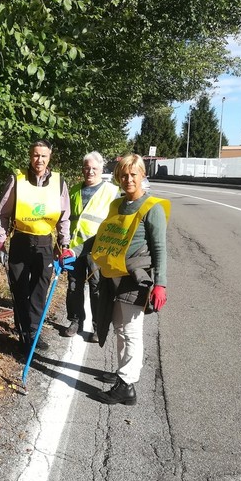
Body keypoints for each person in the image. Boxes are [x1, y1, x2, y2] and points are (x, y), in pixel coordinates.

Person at [88, 154, 170, 405]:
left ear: (143, 176)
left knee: (132, 330)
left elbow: (159, 248)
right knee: (120, 328)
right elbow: (105, 237)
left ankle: (127, 385)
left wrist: (161, 284)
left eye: (133, 174)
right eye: (124, 175)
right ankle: (123, 374)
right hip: (114, 275)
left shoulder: (151, 208)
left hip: (137, 277)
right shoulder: (117, 205)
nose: (128, 179)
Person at [0, 139, 72, 351]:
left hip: (46, 243)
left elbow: (64, 217)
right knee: (19, 289)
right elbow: (2, 213)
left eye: (44, 156)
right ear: (30, 156)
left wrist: (64, 245)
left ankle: (33, 332)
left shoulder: (59, 182)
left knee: (39, 290)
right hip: (21, 240)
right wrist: (1, 242)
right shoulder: (17, 180)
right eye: (36, 155)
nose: (39, 160)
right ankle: (23, 335)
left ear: (50, 157)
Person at [64, 151, 120, 342]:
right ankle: (76, 321)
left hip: (98, 249)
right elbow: (65, 220)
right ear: (82, 169)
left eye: (94, 168)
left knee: (97, 288)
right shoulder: (73, 191)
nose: (90, 172)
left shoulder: (112, 192)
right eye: (87, 168)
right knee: (73, 287)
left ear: (101, 169)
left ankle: (98, 326)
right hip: (74, 247)